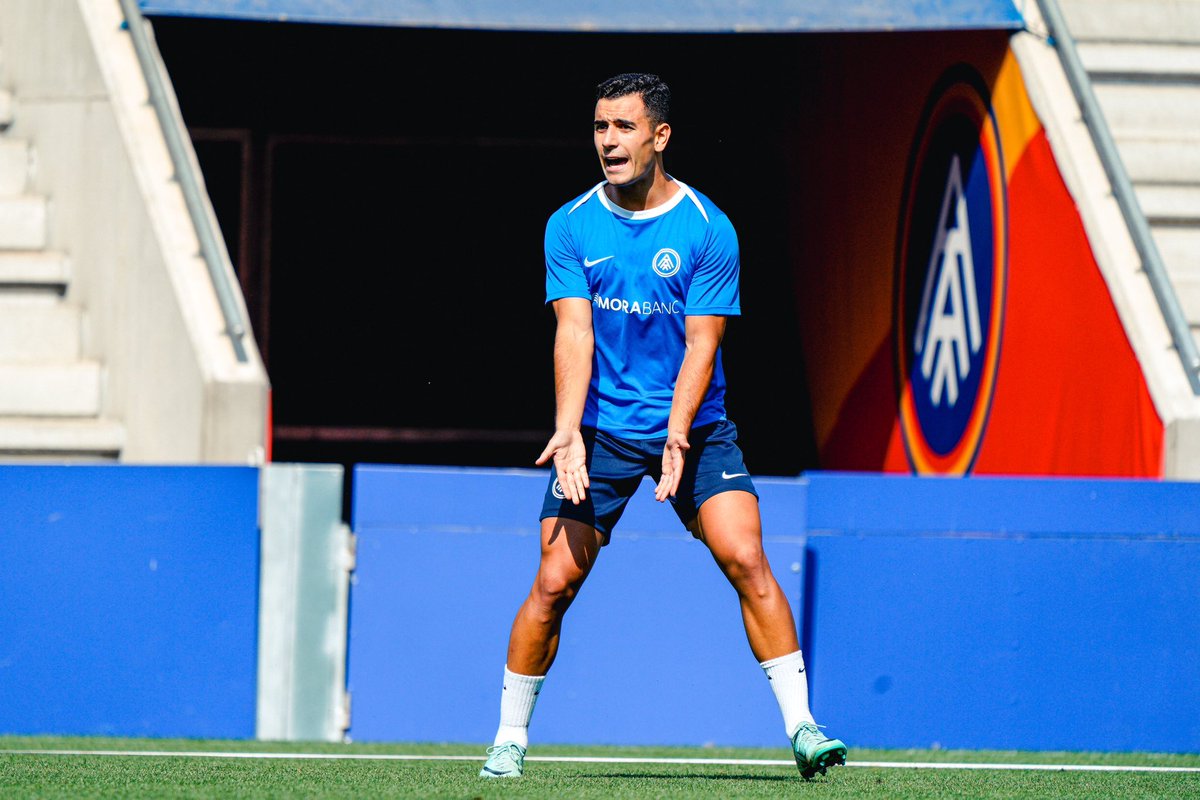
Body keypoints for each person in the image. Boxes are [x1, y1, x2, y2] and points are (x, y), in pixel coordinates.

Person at [479, 72, 846, 781]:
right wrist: (567, 430)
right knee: (553, 582)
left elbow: (704, 343)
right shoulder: (569, 224)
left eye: (623, 127)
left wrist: (678, 434)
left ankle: (803, 728)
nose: (608, 141)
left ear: (660, 136)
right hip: (602, 433)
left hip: (696, 430)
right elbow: (574, 333)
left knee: (746, 557)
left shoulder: (708, 228)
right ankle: (508, 739)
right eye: (599, 127)